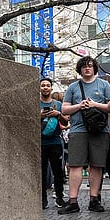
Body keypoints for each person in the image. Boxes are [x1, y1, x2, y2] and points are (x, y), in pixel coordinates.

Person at [59, 56, 110, 214]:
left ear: (95, 68)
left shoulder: (104, 84)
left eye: (90, 66)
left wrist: (94, 104)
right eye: (84, 66)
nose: (87, 69)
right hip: (78, 129)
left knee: (97, 165)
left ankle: (94, 199)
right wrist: (80, 105)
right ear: (80, 69)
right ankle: (73, 201)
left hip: (99, 130)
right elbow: (64, 109)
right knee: (75, 165)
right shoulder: (73, 87)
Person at [40, 78, 68, 210]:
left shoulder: (58, 104)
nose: (45, 88)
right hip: (40, 142)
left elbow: (66, 122)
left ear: (51, 88)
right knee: (42, 171)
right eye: (43, 86)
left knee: (58, 171)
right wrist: (39, 116)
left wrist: (58, 114)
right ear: (39, 88)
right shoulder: (35, 103)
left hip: (55, 141)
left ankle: (60, 197)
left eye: (48, 86)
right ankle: (42, 198)